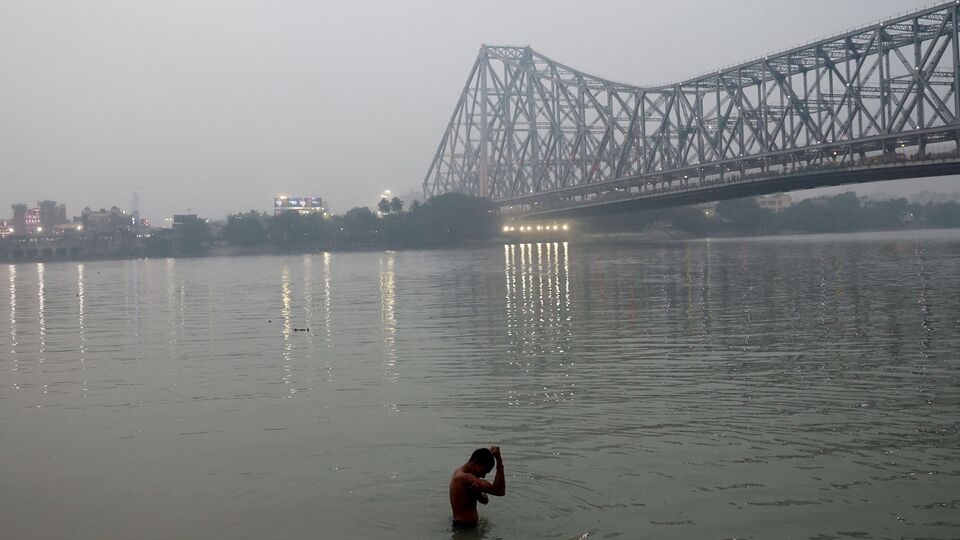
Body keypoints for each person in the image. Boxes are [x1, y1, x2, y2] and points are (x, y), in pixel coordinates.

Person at [449, 445, 506, 527]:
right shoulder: (465, 477)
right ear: (475, 463)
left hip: (462, 527)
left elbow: (485, 501)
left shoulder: (458, 472)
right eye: (484, 471)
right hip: (466, 530)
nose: (483, 476)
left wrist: (477, 493)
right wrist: (499, 459)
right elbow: (500, 491)